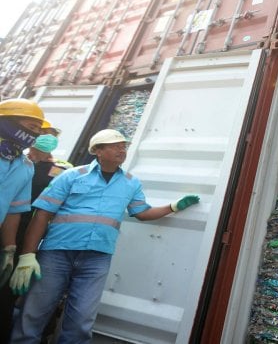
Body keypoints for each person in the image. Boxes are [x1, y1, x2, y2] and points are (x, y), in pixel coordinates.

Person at [9, 129, 201, 343]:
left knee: (81, 320)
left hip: (96, 258)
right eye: (115, 145)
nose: (122, 149)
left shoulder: (131, 183)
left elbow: (142, 213)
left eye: (123, 146)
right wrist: (28, 255)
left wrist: (173, 206)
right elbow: (42, 214)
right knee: (34, 314)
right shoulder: (72, 175)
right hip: (56, 253)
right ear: (98, 151)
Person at [0, 125, 72, 343]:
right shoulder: (16, 159)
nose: (46, 140)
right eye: (42, 135)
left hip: (28, 232)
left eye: (51, 137)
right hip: (7, 221)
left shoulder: (62, 169)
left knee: (9, 290)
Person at [0, 99, 46, 287]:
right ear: (8, 121)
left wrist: (9, 249)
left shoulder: (26, 166)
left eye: (38, 129)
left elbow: (13, 211)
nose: (34, 133)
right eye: (31, 126)